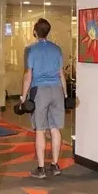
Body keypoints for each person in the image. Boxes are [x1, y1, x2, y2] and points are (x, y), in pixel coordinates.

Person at [19, 18, 68, 179]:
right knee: (55, 128)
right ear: (48, 32)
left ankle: (41, 169)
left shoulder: (31, 50)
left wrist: (23, 97)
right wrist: (65, 95)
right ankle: (55, 165)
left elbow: (28, 76)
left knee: (40, 130)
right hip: (57, 90)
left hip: (40, 90)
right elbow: (61, 74)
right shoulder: (57, 49)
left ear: (35, 32)